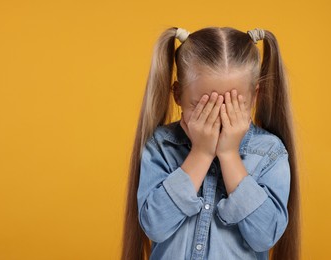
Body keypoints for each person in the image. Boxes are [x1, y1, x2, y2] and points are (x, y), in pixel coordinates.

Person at [121, 26, 300, 260]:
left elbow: (264, 235)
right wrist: (201, 153)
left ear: (255, 96)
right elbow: (154, 225)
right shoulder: (162, 146)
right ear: (177, 94)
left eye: (232, 106)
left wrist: (229, 155)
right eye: (204, 106)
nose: (218, 118)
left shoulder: (269, 152)